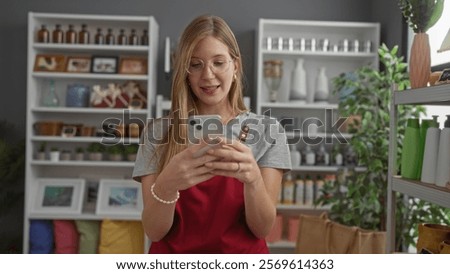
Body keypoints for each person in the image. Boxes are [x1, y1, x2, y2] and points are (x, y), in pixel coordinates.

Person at [132, 14, 291, 253]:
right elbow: (154, 231)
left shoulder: (269, 131)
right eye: (195, 64)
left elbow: (263, 229)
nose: (207, 75)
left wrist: (253, 180)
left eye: (218, 62)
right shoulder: (157, 133)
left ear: (235, 66)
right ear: (185, 72)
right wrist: (166, 185)